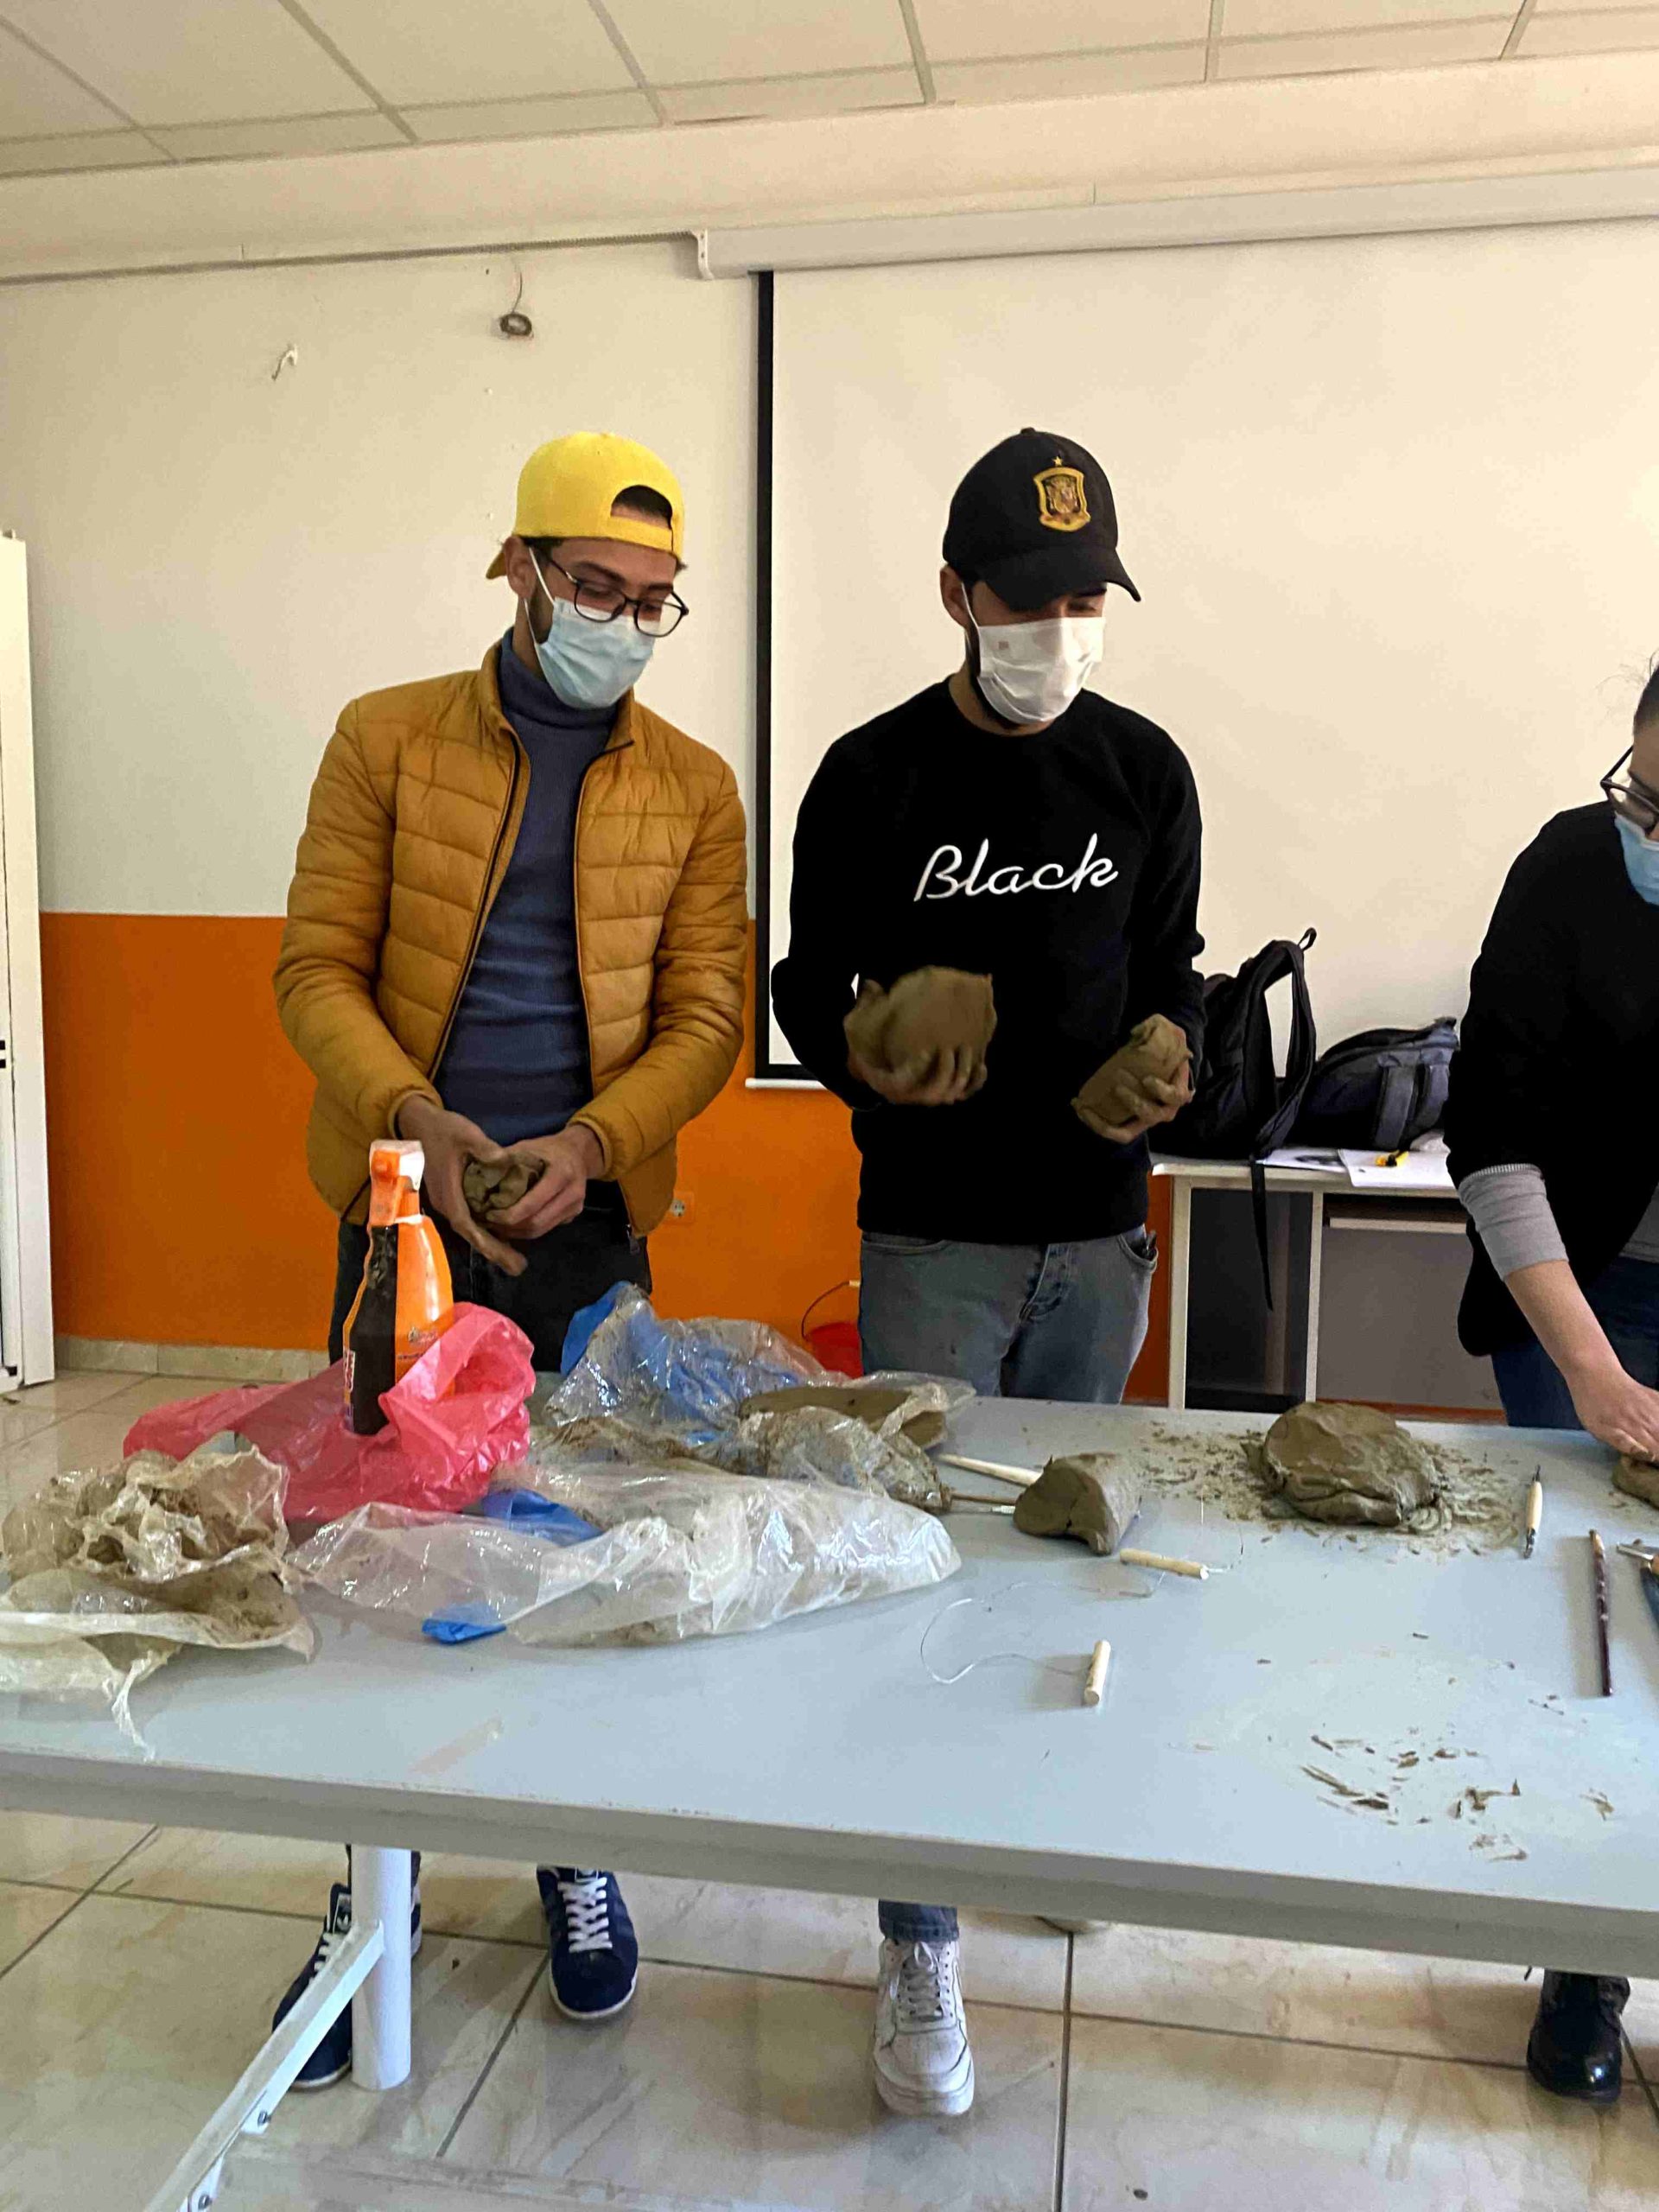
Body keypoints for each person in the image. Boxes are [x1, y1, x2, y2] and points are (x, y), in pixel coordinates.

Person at [270, 431, 747, 2083]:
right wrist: (419, 1120)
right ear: (519, 570)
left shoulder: (694, 787)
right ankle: (370, 1890)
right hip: (405, 1206)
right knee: (382, 1558)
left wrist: (593, 1146)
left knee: (575, 1548)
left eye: (653, 600)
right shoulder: (385, 738)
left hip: (588, 1220)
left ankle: (573, 1849)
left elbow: (708, 1017)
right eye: (595, 586)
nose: (622, 621)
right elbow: (313, 969)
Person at [772, 428, 1204, 2119]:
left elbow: (1172, 970)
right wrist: (866, 1044)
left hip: (1097, 1234)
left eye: (1086, 599)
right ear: (956, 593)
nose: (1057, 629)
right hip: (934, 1237)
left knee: (1069, 1555)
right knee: (924, 1570)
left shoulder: (1144, 770)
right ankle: (919, 1932)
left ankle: (1042, 1822)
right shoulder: (869, 775)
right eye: (1026, 601)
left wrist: (1175, 1048)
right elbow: (805, 981)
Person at [1446, 655, 1659, 2105]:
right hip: (1585, 1298)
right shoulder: (1573, 870)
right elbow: (1492, 1131)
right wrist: (1595, 1372)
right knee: (1595, 1645)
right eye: (1647, 790)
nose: (1649, 827)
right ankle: (1587, 1957)